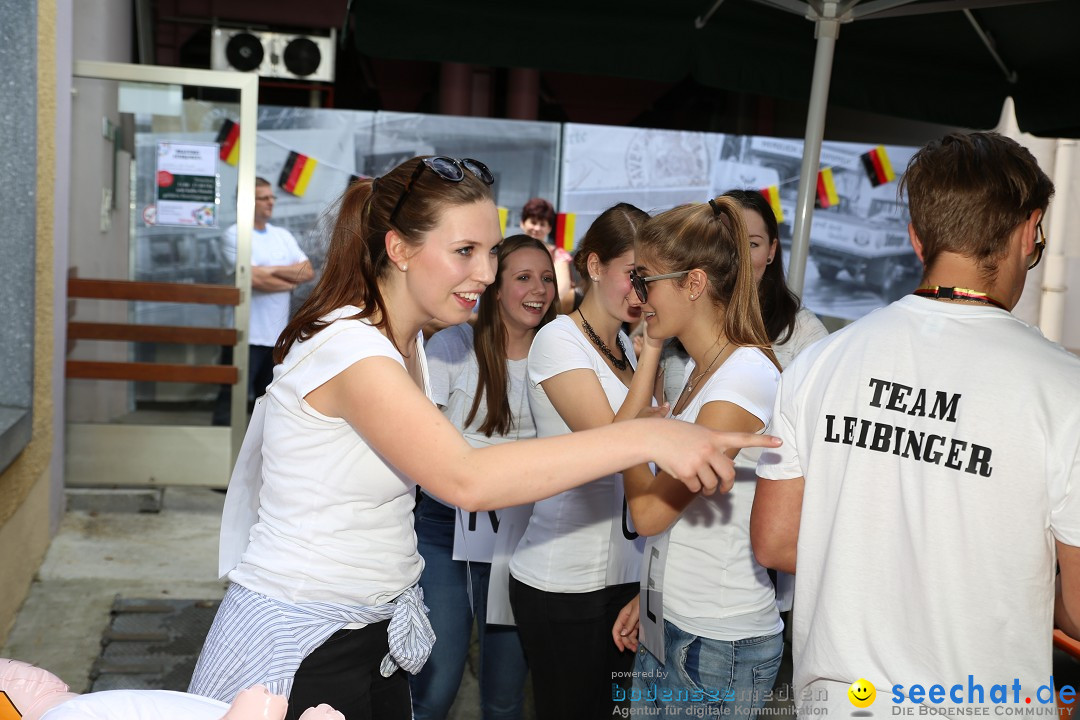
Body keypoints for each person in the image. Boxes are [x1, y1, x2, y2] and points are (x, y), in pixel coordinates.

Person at [187, 156, 779, 720]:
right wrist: (649, 438)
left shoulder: (402, 344)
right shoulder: (353, 351)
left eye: (491, 252)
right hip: (303, 636)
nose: (487, 274)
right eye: (465, 251)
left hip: (366, 625)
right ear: (398, 249)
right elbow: (465, 478)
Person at [751, 132, 1080, 716]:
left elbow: (775, 540)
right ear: (1029, 234)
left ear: (916, 237)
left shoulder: (820, 361)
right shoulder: (1065, 389)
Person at [610, 197, 784, 718]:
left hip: (717, 643)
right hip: (678, 621)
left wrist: (640, 435)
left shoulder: (741, 382)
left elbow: (648, 513)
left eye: (646, 281)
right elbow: (685, 524)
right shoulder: (704, 371)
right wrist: (650, 596)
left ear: (695, 282)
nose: (638, 299)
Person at [508, 202, 651, 719]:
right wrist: (655, 350)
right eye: (634, 275)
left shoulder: (626, 350)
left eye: (652, 279)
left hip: (624, 578)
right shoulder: (558, 338)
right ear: (593, 266)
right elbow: (612, 446)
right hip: (563, 581)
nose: (643, 292)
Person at [410, 234, 558, 720]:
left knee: (505, 693)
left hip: (521, 535)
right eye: (523, 277)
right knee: (435, 687)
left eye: (547, 278)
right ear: (495, 288)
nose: (538, 289)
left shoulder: (558, 356)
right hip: (443, 527)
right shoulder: (453, 345)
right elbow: (417, 443)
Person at [659, 189, 827, 402]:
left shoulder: (804, 332)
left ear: (771, 251)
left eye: (752, 244)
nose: (740, 256)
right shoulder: (683, 319)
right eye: (730, 241)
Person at [213, 177, 314, 425]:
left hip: (276, 338)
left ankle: (259, 460)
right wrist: (285, 279)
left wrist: (266, 271)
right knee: (230, 400)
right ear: (247, 202)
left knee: (269, 406)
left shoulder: (282, 235)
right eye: (264, 198)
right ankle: (219, 455)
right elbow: (252, 279)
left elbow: (307, 272)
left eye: (272, 197)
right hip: (242, 335)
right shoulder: (234, 234)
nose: (271, 202)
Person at [520, 197, 576, 311]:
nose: (537, 228)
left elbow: (562, 292)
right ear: (522, 223)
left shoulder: (558, 255)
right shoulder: (509, 250)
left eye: (542, 224)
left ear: (549, 228)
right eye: (533, 222)